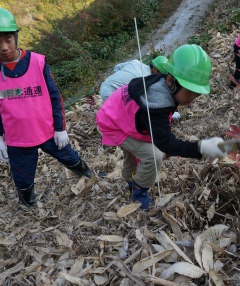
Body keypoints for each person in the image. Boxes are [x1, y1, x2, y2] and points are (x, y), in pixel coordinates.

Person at [0, 6, 92, 207]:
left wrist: (60, 128)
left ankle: (88, 175)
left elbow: (55, 97)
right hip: (17, 139)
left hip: (48, 130)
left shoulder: (37, 62)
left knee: (70, 157)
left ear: (16, 36)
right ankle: (28, 204)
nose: (4, 46)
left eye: (8, 39)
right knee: (22, 178)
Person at [96, 44, 227, 210]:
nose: (193, 97)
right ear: (171, 80)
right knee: (154, 155)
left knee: (135, 151)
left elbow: (159, 129)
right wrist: (200, 147)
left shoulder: (162, 83)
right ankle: (139, 191)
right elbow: (165, 143)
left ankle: (130, 178)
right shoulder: (156, 102)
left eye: (197, 93)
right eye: (189, 91)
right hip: (113, 123)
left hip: (120, 116)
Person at [99, 56, 168, 102]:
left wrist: (119, 78)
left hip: (104, 85)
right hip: (109, 94)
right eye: (160, 74)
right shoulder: (146, 79)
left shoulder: (136, 62)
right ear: (154, 69)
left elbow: (117, 67)